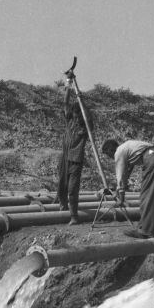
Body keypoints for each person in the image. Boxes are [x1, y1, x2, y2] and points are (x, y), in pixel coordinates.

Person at [102, 139, 154, 239]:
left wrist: (121, 198)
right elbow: (127, 173)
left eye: (108, 155)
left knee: (147, 195)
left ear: (110, 150)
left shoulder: (119, 152)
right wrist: (118, 190)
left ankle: (146, 231)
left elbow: (120, 177)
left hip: (152, 158)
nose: (110, 158)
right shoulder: (128, 148)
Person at [57, 82, 91, 225]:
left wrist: (80, 98)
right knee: (61, 185)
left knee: (72, 188)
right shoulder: (70, 122)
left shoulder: (86, 127)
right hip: (64, 158)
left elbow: (87, 115)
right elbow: (65, 103)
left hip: (76, 160)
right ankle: (63, 205)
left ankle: (74, 216)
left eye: (78, 115)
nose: (76, 117)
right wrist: (69, 86)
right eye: (75, 114)